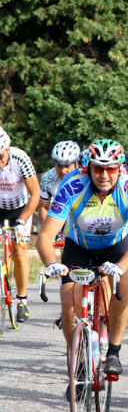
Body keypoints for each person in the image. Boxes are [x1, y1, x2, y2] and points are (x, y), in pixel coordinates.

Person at [36, 139, 128, 384]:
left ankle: (114, 351)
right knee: (68, 299)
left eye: (110, 169)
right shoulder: (71, 186)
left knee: (124, 281)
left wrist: (120, 266)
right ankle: (77, 358)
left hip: (116, 245)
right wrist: (51, 263)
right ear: (89, 168)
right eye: (98, 168)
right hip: (79, 246)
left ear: (120, 168)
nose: (104, 175)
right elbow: (44, 236)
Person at [0, 125, 41, 323]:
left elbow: (35, 193)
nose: (0, 160)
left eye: (1, 155)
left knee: (19, 250)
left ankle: (22, 299)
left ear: (7, 148)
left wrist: (22, 221)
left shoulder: (20, 158)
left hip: (20, 207)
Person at [39, 141, 81, 245]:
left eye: (67, 166)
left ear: (76, 163)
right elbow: (43, 206)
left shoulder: (85, 175)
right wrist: (48, 232)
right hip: (63, 216)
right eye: (59, 166)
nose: (63, 170)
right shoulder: (48, 178)